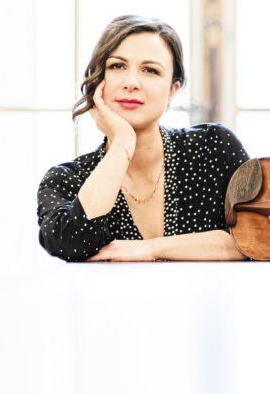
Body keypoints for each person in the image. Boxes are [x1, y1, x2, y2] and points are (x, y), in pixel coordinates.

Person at [37, 15, 250, 262]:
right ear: (98, 81)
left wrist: (151, 248)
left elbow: (263, 238)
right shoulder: (66, 179)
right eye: (117, 66)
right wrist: (122, 142)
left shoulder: (214, 147)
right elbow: (69, 244)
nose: (131, 83)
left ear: (172, 91)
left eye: (150, 70)